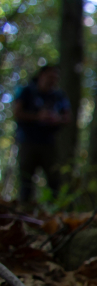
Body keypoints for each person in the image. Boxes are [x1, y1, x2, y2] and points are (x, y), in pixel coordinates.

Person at [12, 65, 70, 204]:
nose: (53, 80)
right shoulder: (27, 91)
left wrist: (57, 119)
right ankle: (24, 211)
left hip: (49, 143)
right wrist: (37, 117)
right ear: (42, 75)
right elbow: (17, 112)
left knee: (55, 180)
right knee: (26, 180)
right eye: (51, 76)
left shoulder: (59, 96)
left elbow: (68, 117)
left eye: (56, 78)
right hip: (28, 141)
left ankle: (55, 213)